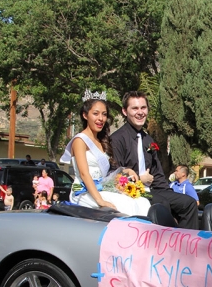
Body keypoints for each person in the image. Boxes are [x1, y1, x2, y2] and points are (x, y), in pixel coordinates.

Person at [111, 91, 198, 229]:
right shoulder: (117, 139)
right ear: (124, 111)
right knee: (162, 204)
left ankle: (185, 244)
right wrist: (140, 179)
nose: (140, 112)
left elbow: (157, 175)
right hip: (130, 191)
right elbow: (115, 175)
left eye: (143, 108)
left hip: (152, 190)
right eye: (135, 108)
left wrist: (172, 196)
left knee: (189, 203)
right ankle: (165, 246)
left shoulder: (148, 140)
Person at [60, 89, 150, 216]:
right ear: (85, 115)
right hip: (84, 191)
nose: (100, 118)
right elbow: (84, 174)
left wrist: (126, 170)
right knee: (126, 205)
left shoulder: (102, 141)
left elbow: (109, 171)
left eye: (104, 114)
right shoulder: (80, 140)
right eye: (95, 114)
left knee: (142, 202)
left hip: (102, 188)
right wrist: (100, 201)